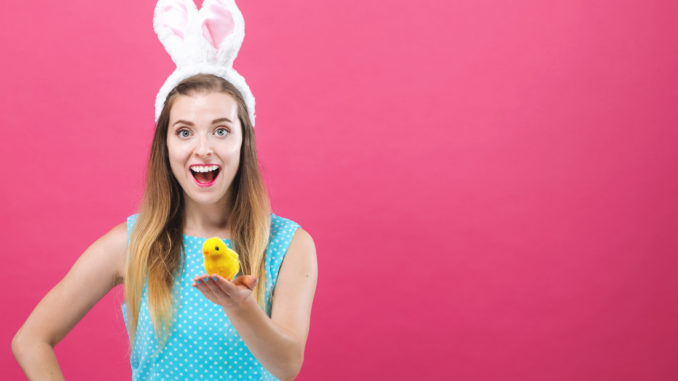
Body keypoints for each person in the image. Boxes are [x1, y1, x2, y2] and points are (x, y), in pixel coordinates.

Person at [11, 73, 319, 380]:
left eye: (221, 131)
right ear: (165, 145)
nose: (203, 148)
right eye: (184, 132)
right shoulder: (134, 243)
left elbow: (287, 365)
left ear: (244, 141)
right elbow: (31, 340)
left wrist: (239, 306)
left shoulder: (287, 244)